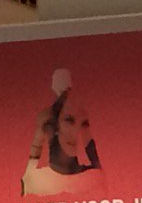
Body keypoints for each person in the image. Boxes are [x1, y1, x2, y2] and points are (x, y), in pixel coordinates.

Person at [21, 68, 102, 196]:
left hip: (72, 174)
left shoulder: (78, 112)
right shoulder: (47, 116)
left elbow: (89, 142)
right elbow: (36, 146)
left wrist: (98, 171)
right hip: (54, 173)